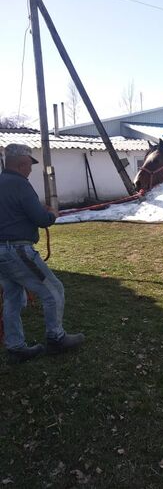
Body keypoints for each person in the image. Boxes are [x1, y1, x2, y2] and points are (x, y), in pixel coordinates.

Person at [0, 143, 85, 364]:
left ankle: (15, 347)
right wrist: (52, 214)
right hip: (17, 250)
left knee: (13, 298)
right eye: (29, 165)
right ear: (21, 164)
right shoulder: (20, 184)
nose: (30, 169)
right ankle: (56, 338)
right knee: (53, 290)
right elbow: (40, 219)